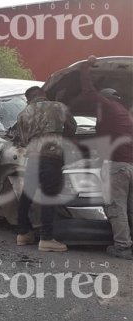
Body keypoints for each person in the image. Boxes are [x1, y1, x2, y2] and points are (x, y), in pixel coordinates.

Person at [74, 55, 133, 260]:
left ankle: (123, 247)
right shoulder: (124, 114)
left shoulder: (106, 107)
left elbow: (89, 92)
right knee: (129, 208)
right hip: (129, 166)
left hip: (117, 167)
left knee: (116, 208)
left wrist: (85, 68)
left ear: (106, 98)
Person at [16, 86, 77, 252]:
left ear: (28, 100)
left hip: (33, 158)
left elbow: (22, 140)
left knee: (26, 196)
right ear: (43, 94)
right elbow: (72, 127)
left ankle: (23, 234)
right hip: (52, 157)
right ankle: (47, 238)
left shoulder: (23, 114)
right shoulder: (58, 106)